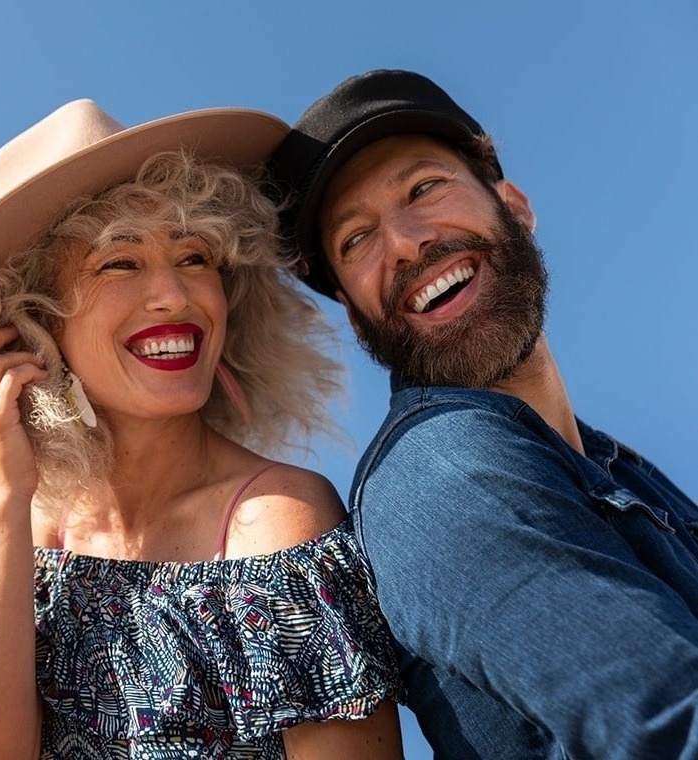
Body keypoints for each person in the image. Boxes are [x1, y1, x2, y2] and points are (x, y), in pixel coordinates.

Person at [0, 99, 405, 759]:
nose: (174, 294)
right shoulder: (22, 537)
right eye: (119, 262)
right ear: (31, 325)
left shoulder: (275, 518)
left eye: (194, 257)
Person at [267, 69, 698, 758]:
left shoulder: (606, 463)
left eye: (422, 189)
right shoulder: (443, 474)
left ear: (514, 206)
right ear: (353, 316)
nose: (405, 243)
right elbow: (669, 728)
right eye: (355, 239)